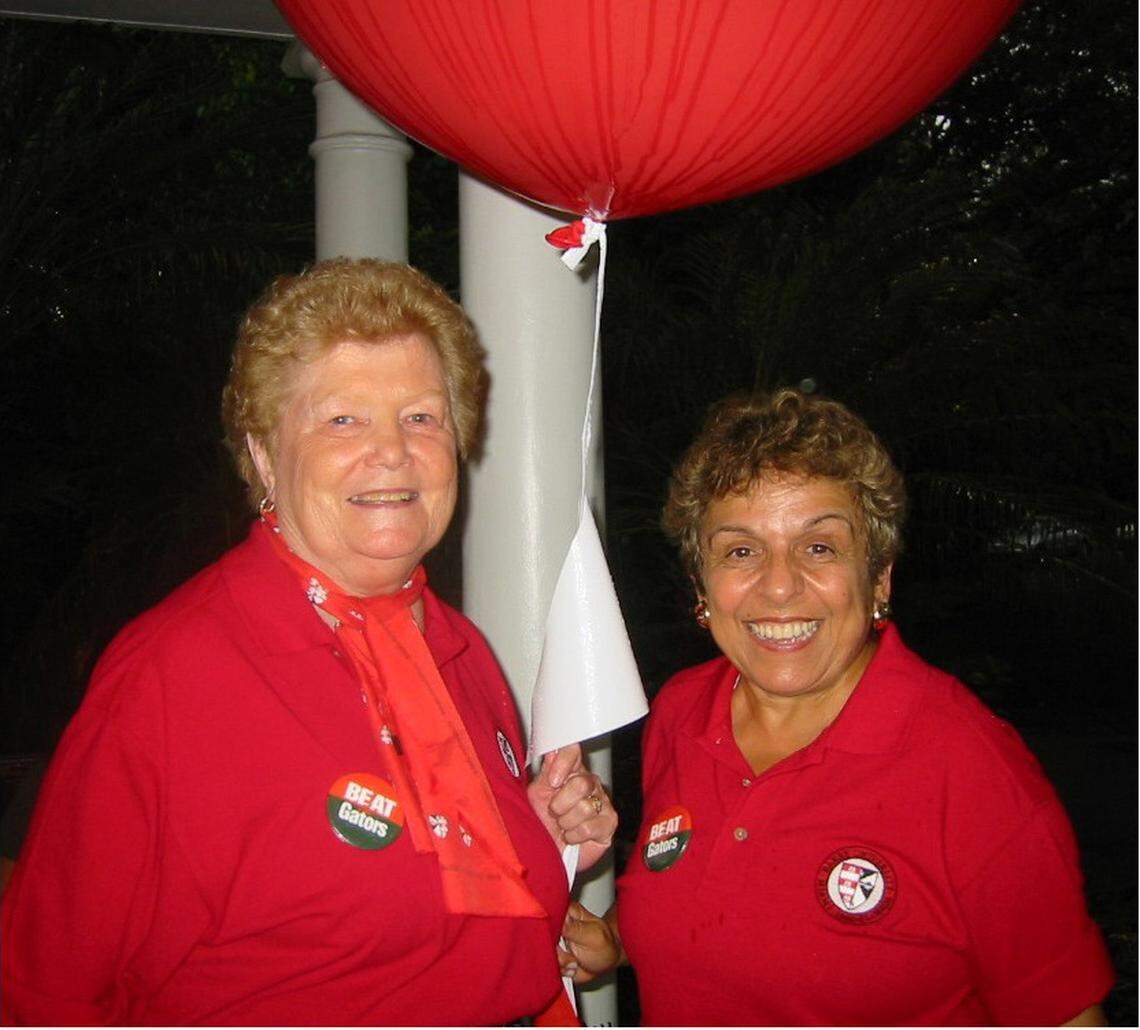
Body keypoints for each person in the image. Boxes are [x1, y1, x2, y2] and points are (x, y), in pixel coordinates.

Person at [1, 259, 616, 1025]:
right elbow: (43, 990)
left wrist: (535, 836)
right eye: (343, 420)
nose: (392, 451)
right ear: (264, 452)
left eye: (422, 417)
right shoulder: (173, 675)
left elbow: (430, 919)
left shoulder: (459, 650)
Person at [559, 389, 1113, 1026]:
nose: (779, 585)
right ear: (701, 585)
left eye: (819, 546)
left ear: (878, 578)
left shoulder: (970, 769)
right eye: (741, 550)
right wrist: (617, 938)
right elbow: (702, 888)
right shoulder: (682, 713)